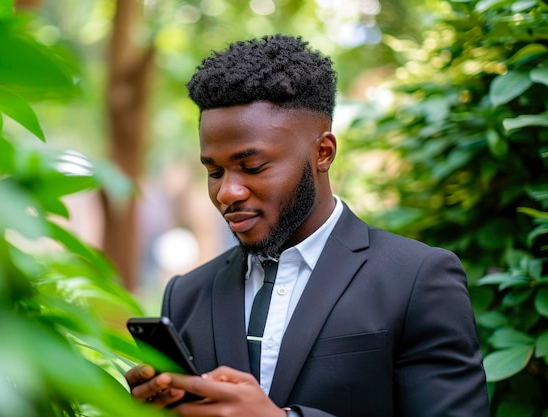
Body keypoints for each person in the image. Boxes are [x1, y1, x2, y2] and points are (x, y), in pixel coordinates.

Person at [125, 34, 489, 417]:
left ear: (323, 153)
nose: (226, 192)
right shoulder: (186, 295)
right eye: (214, 172)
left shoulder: (416, 278)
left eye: (252, 167)